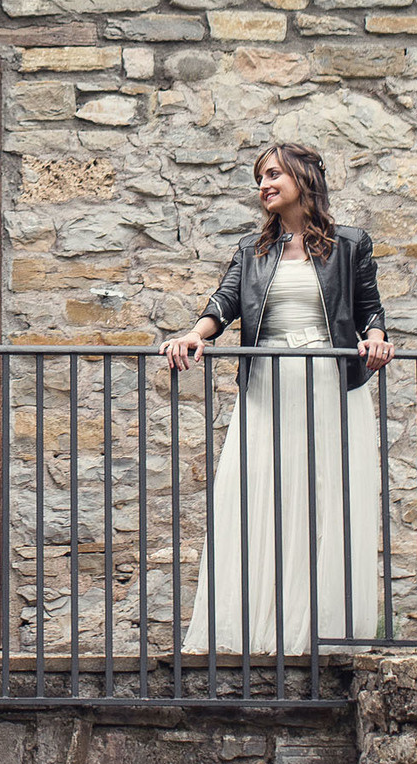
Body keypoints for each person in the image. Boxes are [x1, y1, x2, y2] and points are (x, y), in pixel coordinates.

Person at [161, 141, 392, 657]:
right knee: (257, 496)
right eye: (260, 177)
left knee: (324, 498)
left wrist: (375, 339)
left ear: (301, 178)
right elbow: (222, 302)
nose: (263, 185)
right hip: (267, 385)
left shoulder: (350, 244)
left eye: (272, 175)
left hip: (330, 385)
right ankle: (251, 629)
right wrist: (196, 335)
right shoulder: (252, 249)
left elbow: (370, 309)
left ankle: (322, 633)